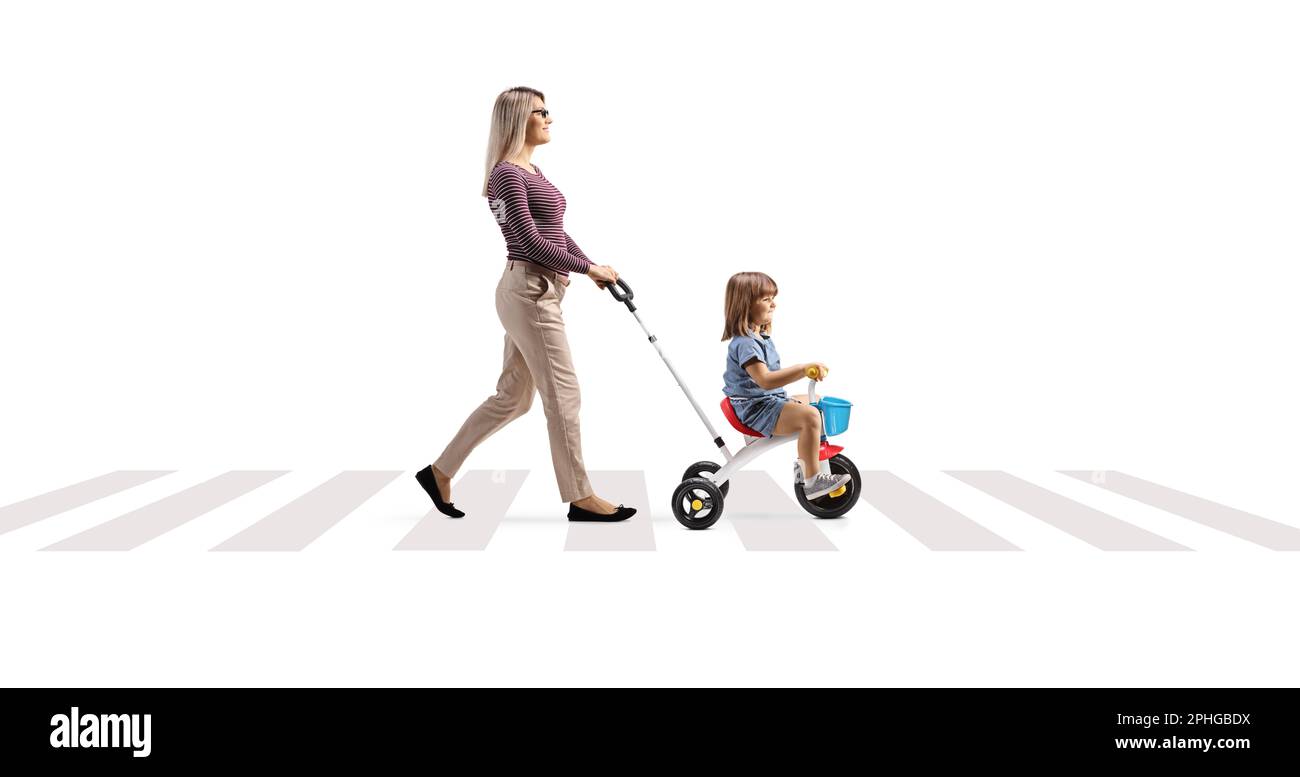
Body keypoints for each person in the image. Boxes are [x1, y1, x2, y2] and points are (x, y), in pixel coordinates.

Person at [416, 86, 637, 522]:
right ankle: (581, 497)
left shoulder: (531, 171)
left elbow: (553, 230)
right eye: (542, 112)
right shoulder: (506, 175)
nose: (550, 118)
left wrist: (590, 264)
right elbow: (530, 243)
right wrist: (585, 269)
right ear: (520, 119)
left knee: (513, 398)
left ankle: (439, 471)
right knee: (564, 394)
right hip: (530, 292)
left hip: (541, 290)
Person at [720, 271, 852, 500]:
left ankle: (808, 460)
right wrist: (801, 369)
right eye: (765, 299)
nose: (773, 305)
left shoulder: (759, 338)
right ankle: (812, 481)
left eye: (772, 298)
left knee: (816, 401)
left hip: (766, 401)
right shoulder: (745, 344)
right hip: (755, 409)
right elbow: (765, 380)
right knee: (811, 417)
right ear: (745, 305)